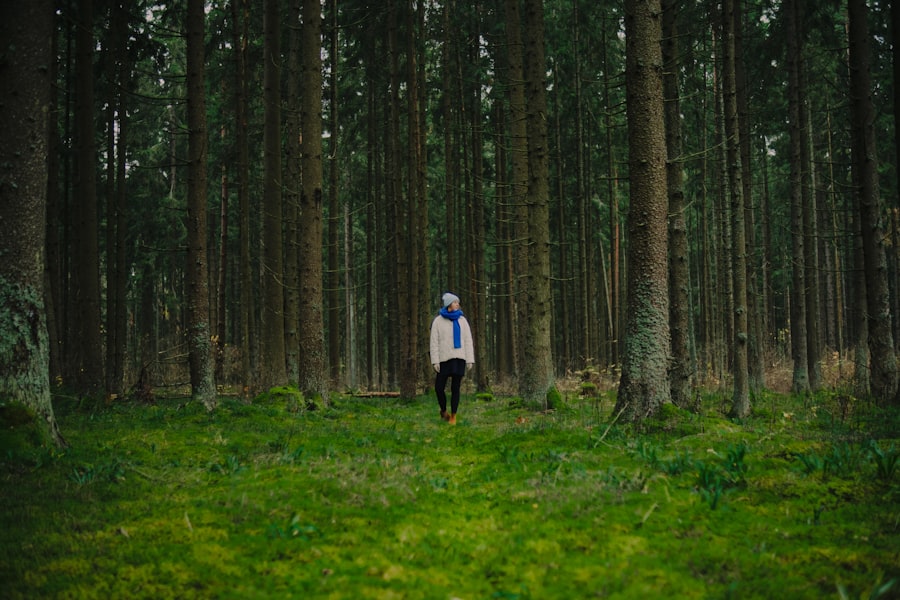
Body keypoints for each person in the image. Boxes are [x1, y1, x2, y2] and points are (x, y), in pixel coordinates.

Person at [429, 292, 474, 425]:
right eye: (455, 302)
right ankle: (443, 411)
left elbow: (467, 340)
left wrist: (470, 359)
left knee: (456, 388)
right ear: (449, 304)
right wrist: (435, 360)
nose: (458, 304)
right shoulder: (438, 321)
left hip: (459, 358)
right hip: (444, 359)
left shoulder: (462, 320)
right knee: (439, 388)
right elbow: (434, 342)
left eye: (458, 302)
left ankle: (453, 416)